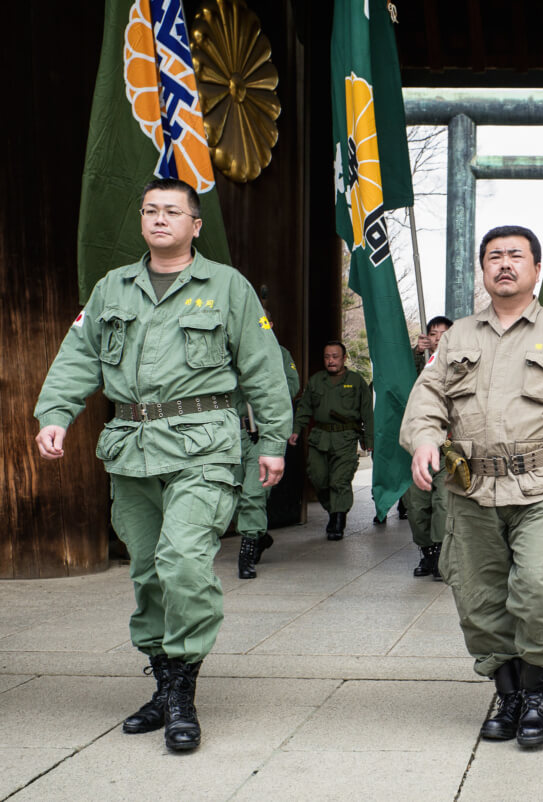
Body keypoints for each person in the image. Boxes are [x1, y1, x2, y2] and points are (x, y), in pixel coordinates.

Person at [33, 177, 291, 752]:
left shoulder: (227, 287)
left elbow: (262, 366)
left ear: (194, 225)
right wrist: (56, 413)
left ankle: (183, 696)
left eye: (173, 211)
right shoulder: (112, 289)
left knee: (183, 563)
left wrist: (272, 439)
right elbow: (78, 356)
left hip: (203, 448)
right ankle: (163, 682)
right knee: (147, 572)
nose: (159, 219)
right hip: (132, 448)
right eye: (151, 210)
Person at [400, 225, 543, 748]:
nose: (504, 264)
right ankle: (509, 692)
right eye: (494, 256)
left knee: (538, 589)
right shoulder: (456, 337)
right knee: (478, 600)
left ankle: (539, 690)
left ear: (537, 269)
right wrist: (427, 438)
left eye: (515, 256)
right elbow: (427, 398)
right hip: (471, 489)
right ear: (483, 270)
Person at [233, 315, 301, 579]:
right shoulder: (232, 354)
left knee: (253, 492)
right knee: (235, 494)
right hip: (234, 432)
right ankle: (260, 536)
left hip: (263, 432)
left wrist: (261, 383)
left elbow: (291, 387)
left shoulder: (279, 354)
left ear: (271, 326)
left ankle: (247, 552)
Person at [289, 341, 373, 540]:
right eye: (327, 357)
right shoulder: (317, 381)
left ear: (344, 358)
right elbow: (305, 408)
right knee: (318, 477)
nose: (331, 361)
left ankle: (338, 519)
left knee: (340, 481)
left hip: (345, 438)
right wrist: (296, 430)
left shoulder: (356, 381)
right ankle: (333, 509)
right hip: (320, 437)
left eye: (335, 356)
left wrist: (368, 439)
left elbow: (367, 412)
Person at [403, 315, 454, 578]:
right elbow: (401, 382)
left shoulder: (460, 363)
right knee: (416, 506)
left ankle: (442, 556)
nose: (438, 339)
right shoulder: (421, 363)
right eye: (433, 334)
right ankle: (428, 552)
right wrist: (416, 353)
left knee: (443, 504)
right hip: (420, 448)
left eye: (444, 334)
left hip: (448, 450)